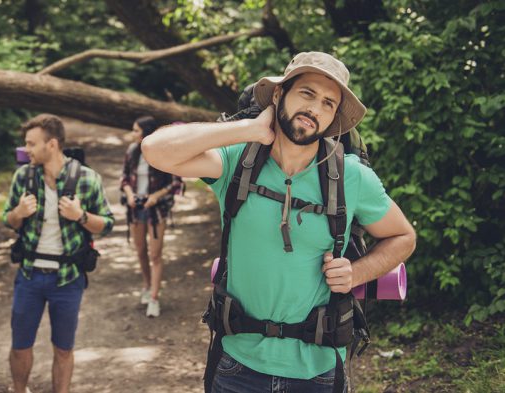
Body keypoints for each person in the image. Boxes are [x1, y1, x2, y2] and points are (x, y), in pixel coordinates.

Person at [141, 52, 416, 392]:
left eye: (328, 104)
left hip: (318, 371)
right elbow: (155, 149)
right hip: (236, 366)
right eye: (307, 94)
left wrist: (357, 273)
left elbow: (404, 236)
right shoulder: (237, 162)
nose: (315, 109)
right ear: (278, 95)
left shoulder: (352, 177)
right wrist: (250, 128)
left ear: (333, 118)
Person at [3, 114, 114, 393]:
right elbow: (8, 220)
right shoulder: (23, 177)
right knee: (20, 346)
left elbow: (107, 224)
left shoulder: (87, 179)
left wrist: (80, 216)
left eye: (31, 144)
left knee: (63, 349)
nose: (25, 149)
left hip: (68, 279)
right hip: (28, 276)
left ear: (51, 144)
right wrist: (18, 213)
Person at [120, 116, 182, 317]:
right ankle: (146, 286)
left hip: (157, 210)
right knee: (140, 250)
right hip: (136, 208)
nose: (133, 134)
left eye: (136, 131)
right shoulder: (132, 151)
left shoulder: (163, 152)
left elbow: (176, 183)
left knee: (155, 254)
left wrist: (155, 197)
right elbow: (125, 179)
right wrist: (130, 195)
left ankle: (154, 297)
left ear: (146, 133)